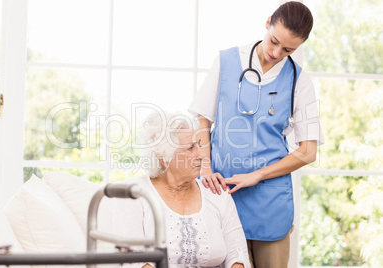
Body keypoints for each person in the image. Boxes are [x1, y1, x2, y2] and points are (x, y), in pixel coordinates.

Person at [188, 2, 324, 268]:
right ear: (268, 22)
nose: (276, 52)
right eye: (274, 41)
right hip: (220, 192)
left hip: (269, 203)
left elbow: (308, 151)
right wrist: (205, 168)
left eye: (288, 49)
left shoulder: (299, 80)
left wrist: (257, 175)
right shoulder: (226, 61)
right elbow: (202, 119)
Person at [112, 111, 250, 267]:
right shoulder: (133, 194)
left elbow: (238, 255)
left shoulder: (216, 193)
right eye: (190, 148)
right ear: (164, 157)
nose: (201, 155)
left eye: (199, 145)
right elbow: (134, 260)